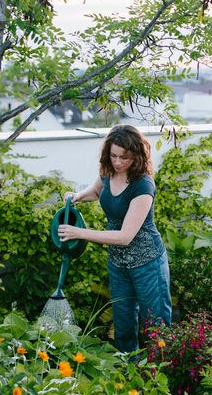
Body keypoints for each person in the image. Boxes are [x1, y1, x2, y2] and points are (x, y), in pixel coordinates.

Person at [58, 124, 171, 353]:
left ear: (137, 155)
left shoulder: (143, 185)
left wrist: (78, 232)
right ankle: (128, 375)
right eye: (113, 155)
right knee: (123, 326)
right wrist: (78, 196)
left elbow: (124, 236)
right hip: (119, 264)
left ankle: (160, 375)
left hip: (148, 263)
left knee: (156, 326)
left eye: (124, 157)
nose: (118, 162)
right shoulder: (108, 172)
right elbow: (98, 191)